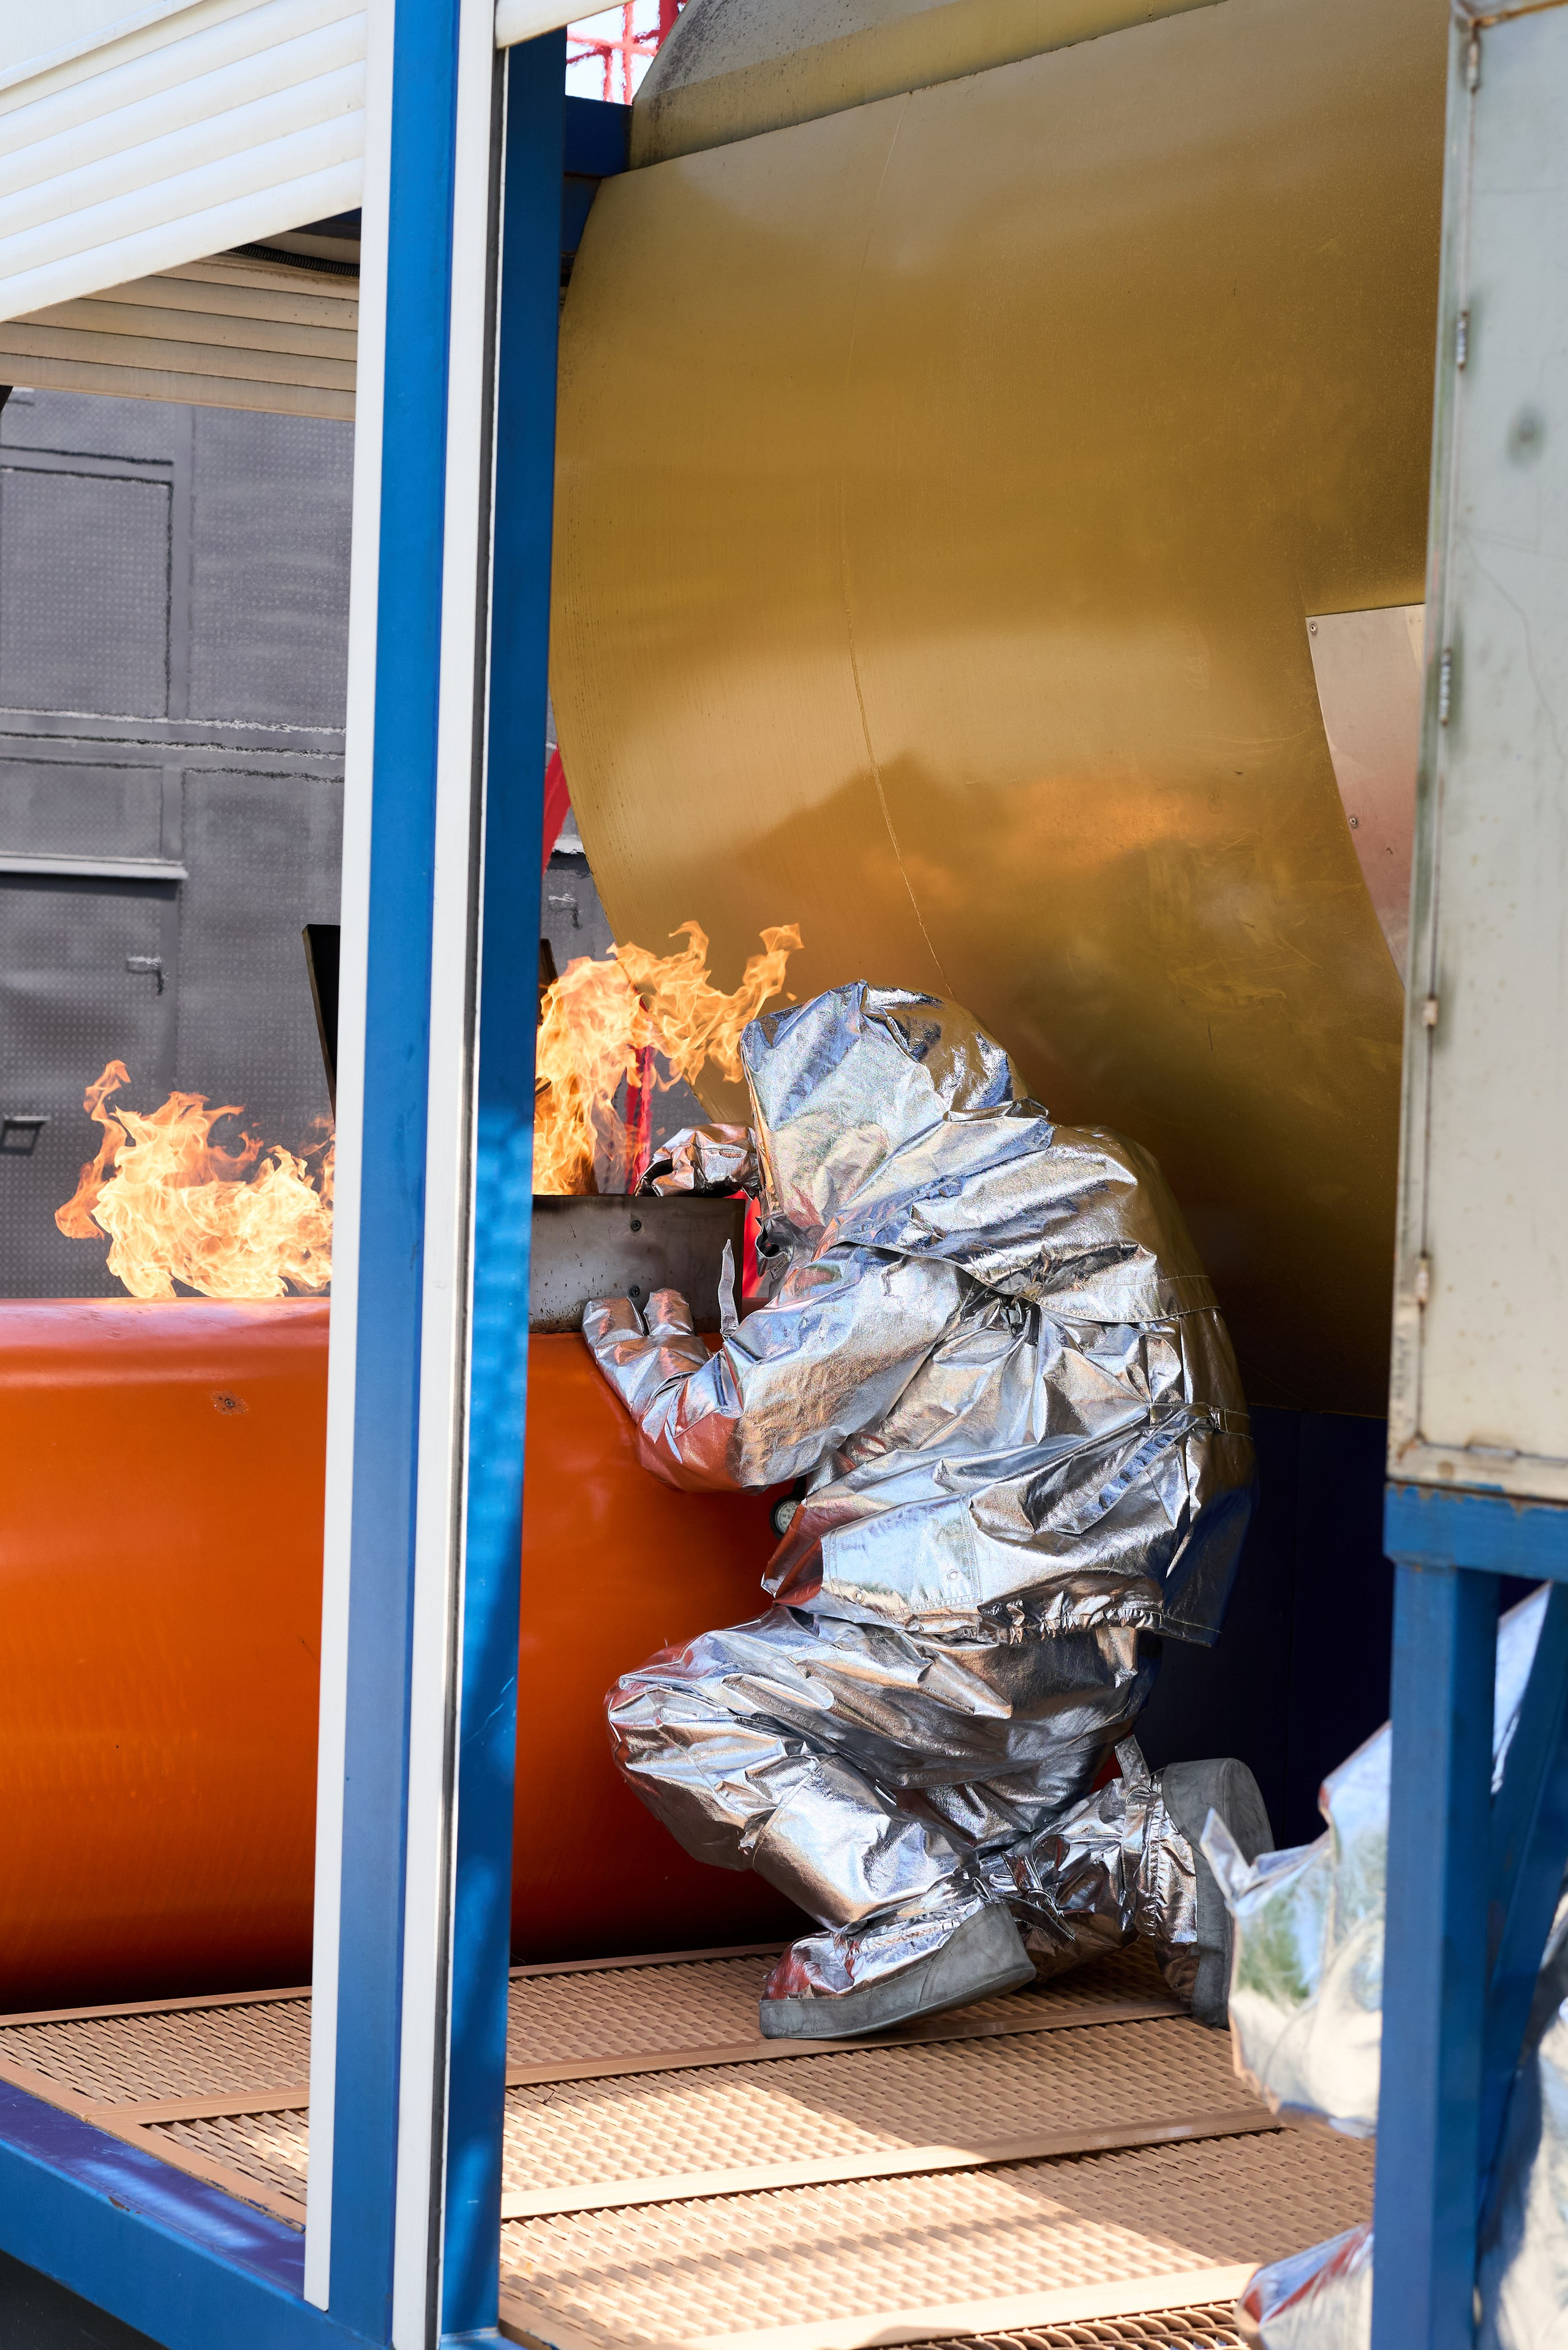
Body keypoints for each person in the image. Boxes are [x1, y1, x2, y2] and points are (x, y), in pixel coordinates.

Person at [583, 982, 1270, 2041]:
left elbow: (723, 1434)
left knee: (676, 1711)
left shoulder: (903, 1254)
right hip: (1109, 1636)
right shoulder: (1090, 1177)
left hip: (953, 1627)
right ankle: (1156, 1854)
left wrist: (648, 1345)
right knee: (989, 1875)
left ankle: (905, 1912)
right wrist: (757, 1166)